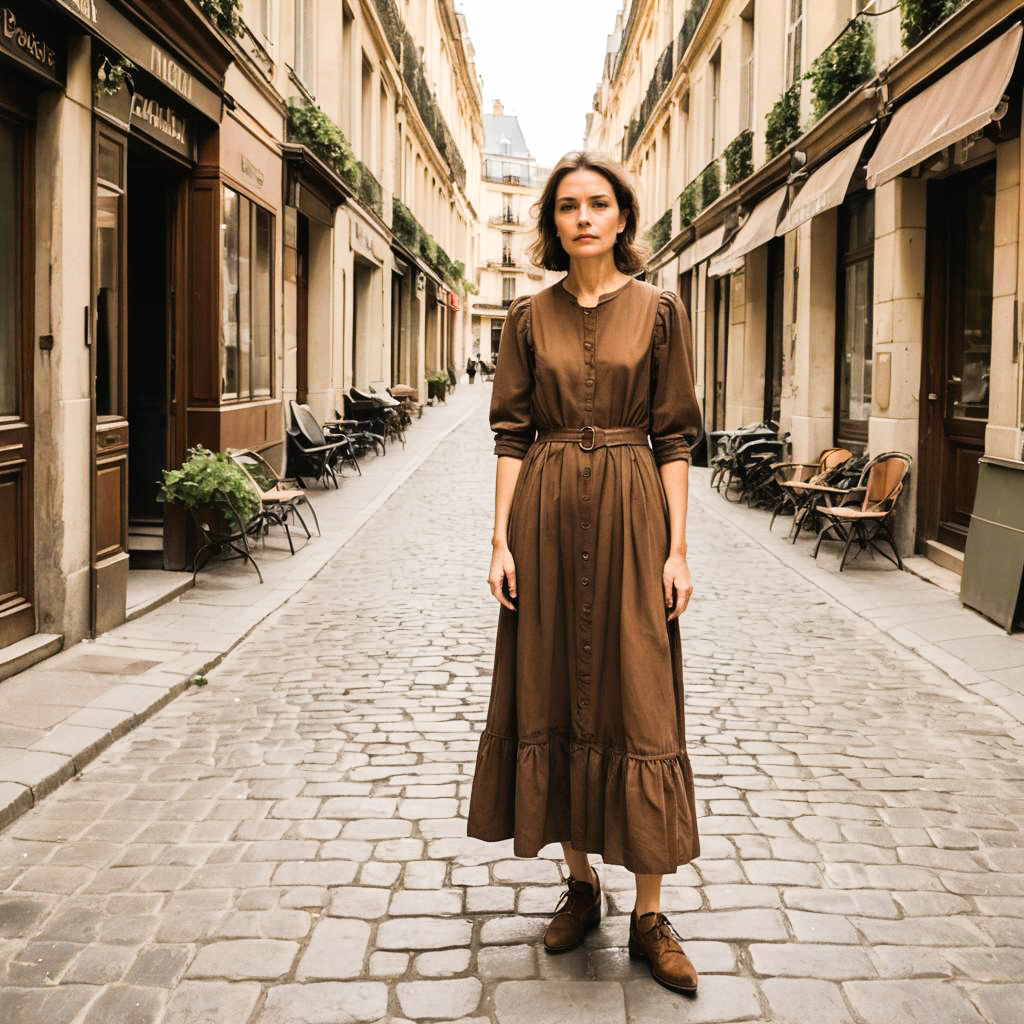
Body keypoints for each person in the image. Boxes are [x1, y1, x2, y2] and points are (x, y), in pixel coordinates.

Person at [466, 151, 703, 995]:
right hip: (546, 520)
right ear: (554, 223)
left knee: (639, 695)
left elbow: (675, 439)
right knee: (553, 687)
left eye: (599, 204)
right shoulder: (527, 319)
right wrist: (500, 541)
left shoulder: (661, 314)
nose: (584, 218)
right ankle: (579, 884)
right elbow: (511, 436)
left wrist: (678, 549)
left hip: (637, 520)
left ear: (622, 217)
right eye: (568, 206)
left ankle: (649, 913)